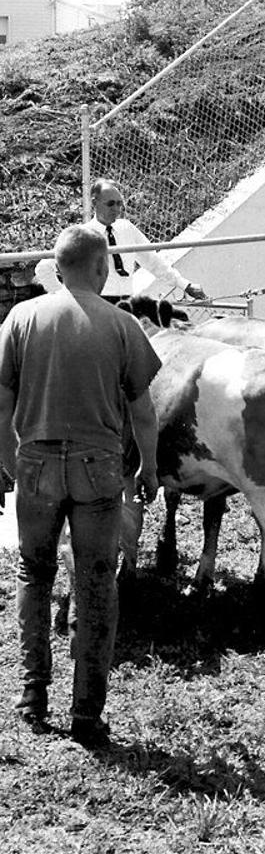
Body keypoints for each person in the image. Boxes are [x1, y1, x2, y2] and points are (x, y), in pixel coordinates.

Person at [0, 225, 161, 748]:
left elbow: (1, 406)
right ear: (100, 267)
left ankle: (31, 696)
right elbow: (142, 409)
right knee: (95, 583)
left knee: (34, 573)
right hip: (99, 468)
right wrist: (150, 469)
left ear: (56, 266)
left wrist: (10, 463)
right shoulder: (121, 324)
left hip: (37, 464)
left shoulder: (21, 318)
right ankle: (87, 713)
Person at [35, 179, 206, 302]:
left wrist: (185, 285)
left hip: (126, 303)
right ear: (95, 203)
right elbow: (44, 268)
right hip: (97, 305)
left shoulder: (127, 229)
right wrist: (67, 299)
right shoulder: (81, 235)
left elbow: (152, 261)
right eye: (110, 204)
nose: (117, 209)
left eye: (119, 204)